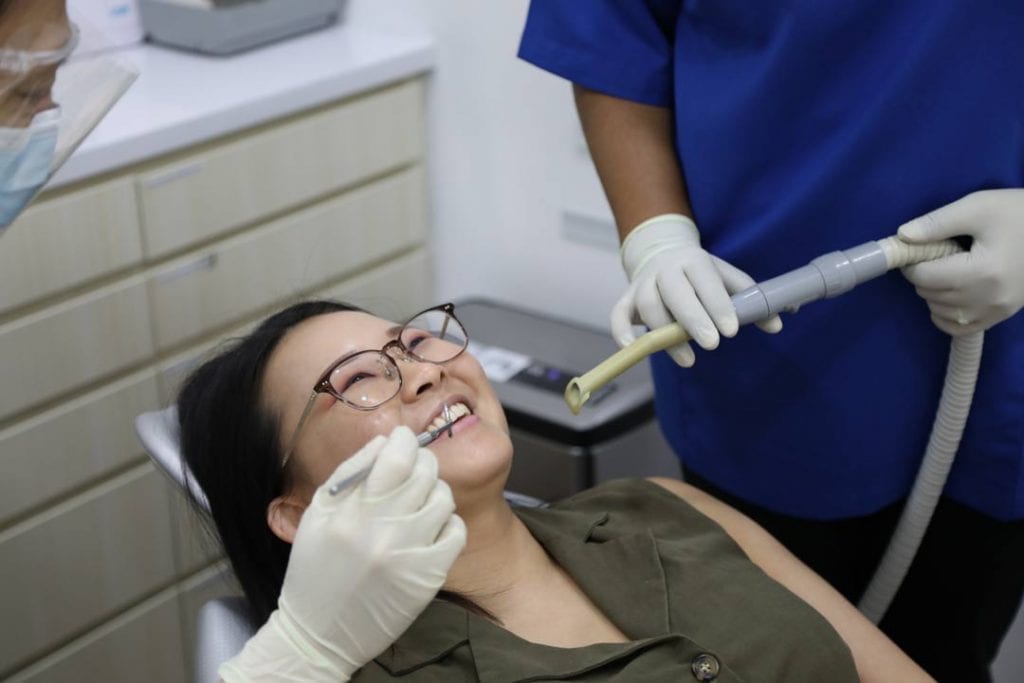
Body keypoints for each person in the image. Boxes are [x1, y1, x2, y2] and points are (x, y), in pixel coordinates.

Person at [517, 3, 1024, 680]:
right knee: (772, 655)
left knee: (948, 648)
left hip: (1005, 382)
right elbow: (615, 33)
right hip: (773, 362)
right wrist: (656, 236)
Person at [177, 298, 933, 681]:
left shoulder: (663, 504)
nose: (427, 371)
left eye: (413, 342)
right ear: (300, 511)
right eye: (362, 379)